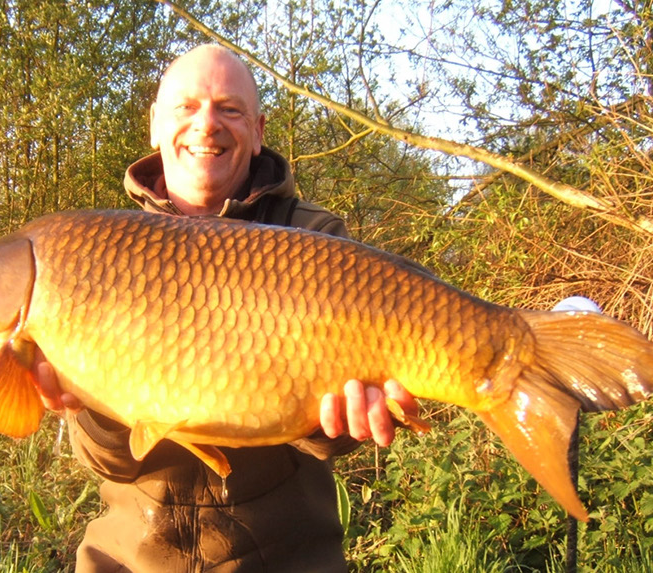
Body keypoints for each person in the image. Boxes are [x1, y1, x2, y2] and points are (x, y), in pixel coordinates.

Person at [37, 43, 418, 572]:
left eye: (229, 109)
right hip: (130, 558)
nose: (207, 125)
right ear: (155, 125)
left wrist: (329, 425)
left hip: (283, 560)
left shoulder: (314, 237)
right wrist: (89, 403)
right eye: (187, 107)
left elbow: (332, 437)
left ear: (259, 130)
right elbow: (110, 462)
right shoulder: (105, 252)